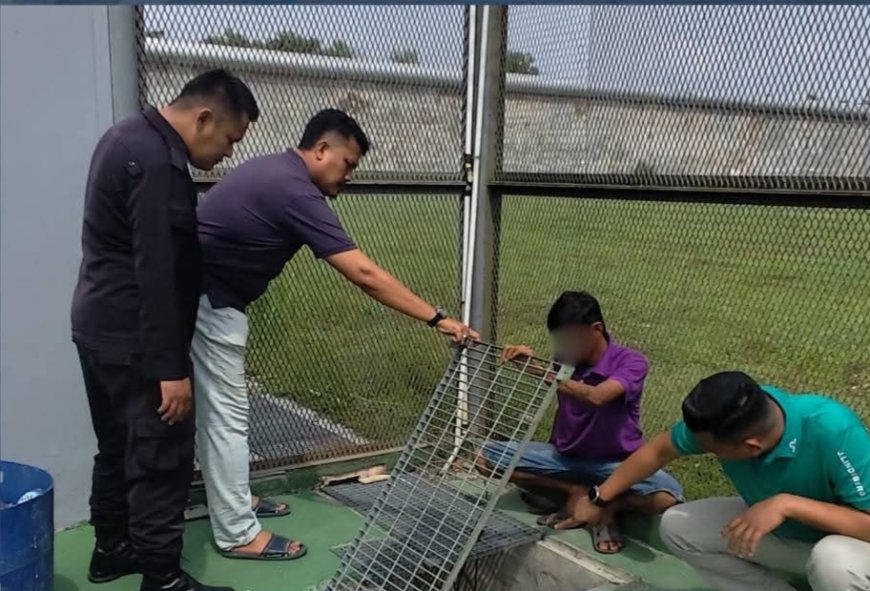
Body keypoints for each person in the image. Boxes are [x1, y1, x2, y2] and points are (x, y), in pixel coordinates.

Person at [191, 108, 479, 560]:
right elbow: (363, 272)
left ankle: (234, 502)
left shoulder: (276, 170)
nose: (350, 176)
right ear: (321, 150)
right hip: (207, 301)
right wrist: (438, 318)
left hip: (205, 296)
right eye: (347, 164)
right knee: (226, 419)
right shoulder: (294, 190)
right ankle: (237, 533)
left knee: (221, 415)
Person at [71, 69, 259, 591]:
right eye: (228, 139)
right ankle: (162, 577)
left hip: (98, 324)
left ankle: (111, 549)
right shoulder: (158, 163)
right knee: (160, 453)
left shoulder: (126, 137)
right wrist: (169, 369)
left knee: (116, 445)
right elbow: (155, 269)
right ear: (203, 118)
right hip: (135, 336)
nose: (227, 153)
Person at [562, 371, 870, 591]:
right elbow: (658, 451)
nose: (700, 449)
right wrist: (598, 498)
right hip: (792, 537)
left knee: (834, 561)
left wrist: (788, 505)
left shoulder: (832, 429)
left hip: (852, 546)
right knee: (680, 526)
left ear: (751, 447)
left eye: (710, 450)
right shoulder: (729, 418)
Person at [477, 291, 683, 554]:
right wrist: (526, 362)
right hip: (565, 458)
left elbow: (598, 396)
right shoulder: (565, 361)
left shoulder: (631, 362)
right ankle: (576, 491)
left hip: (617, 464)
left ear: (596, 329)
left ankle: (603, 505)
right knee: (483, 458)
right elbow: (555, 378)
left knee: (666, 496)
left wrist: (541, 371)